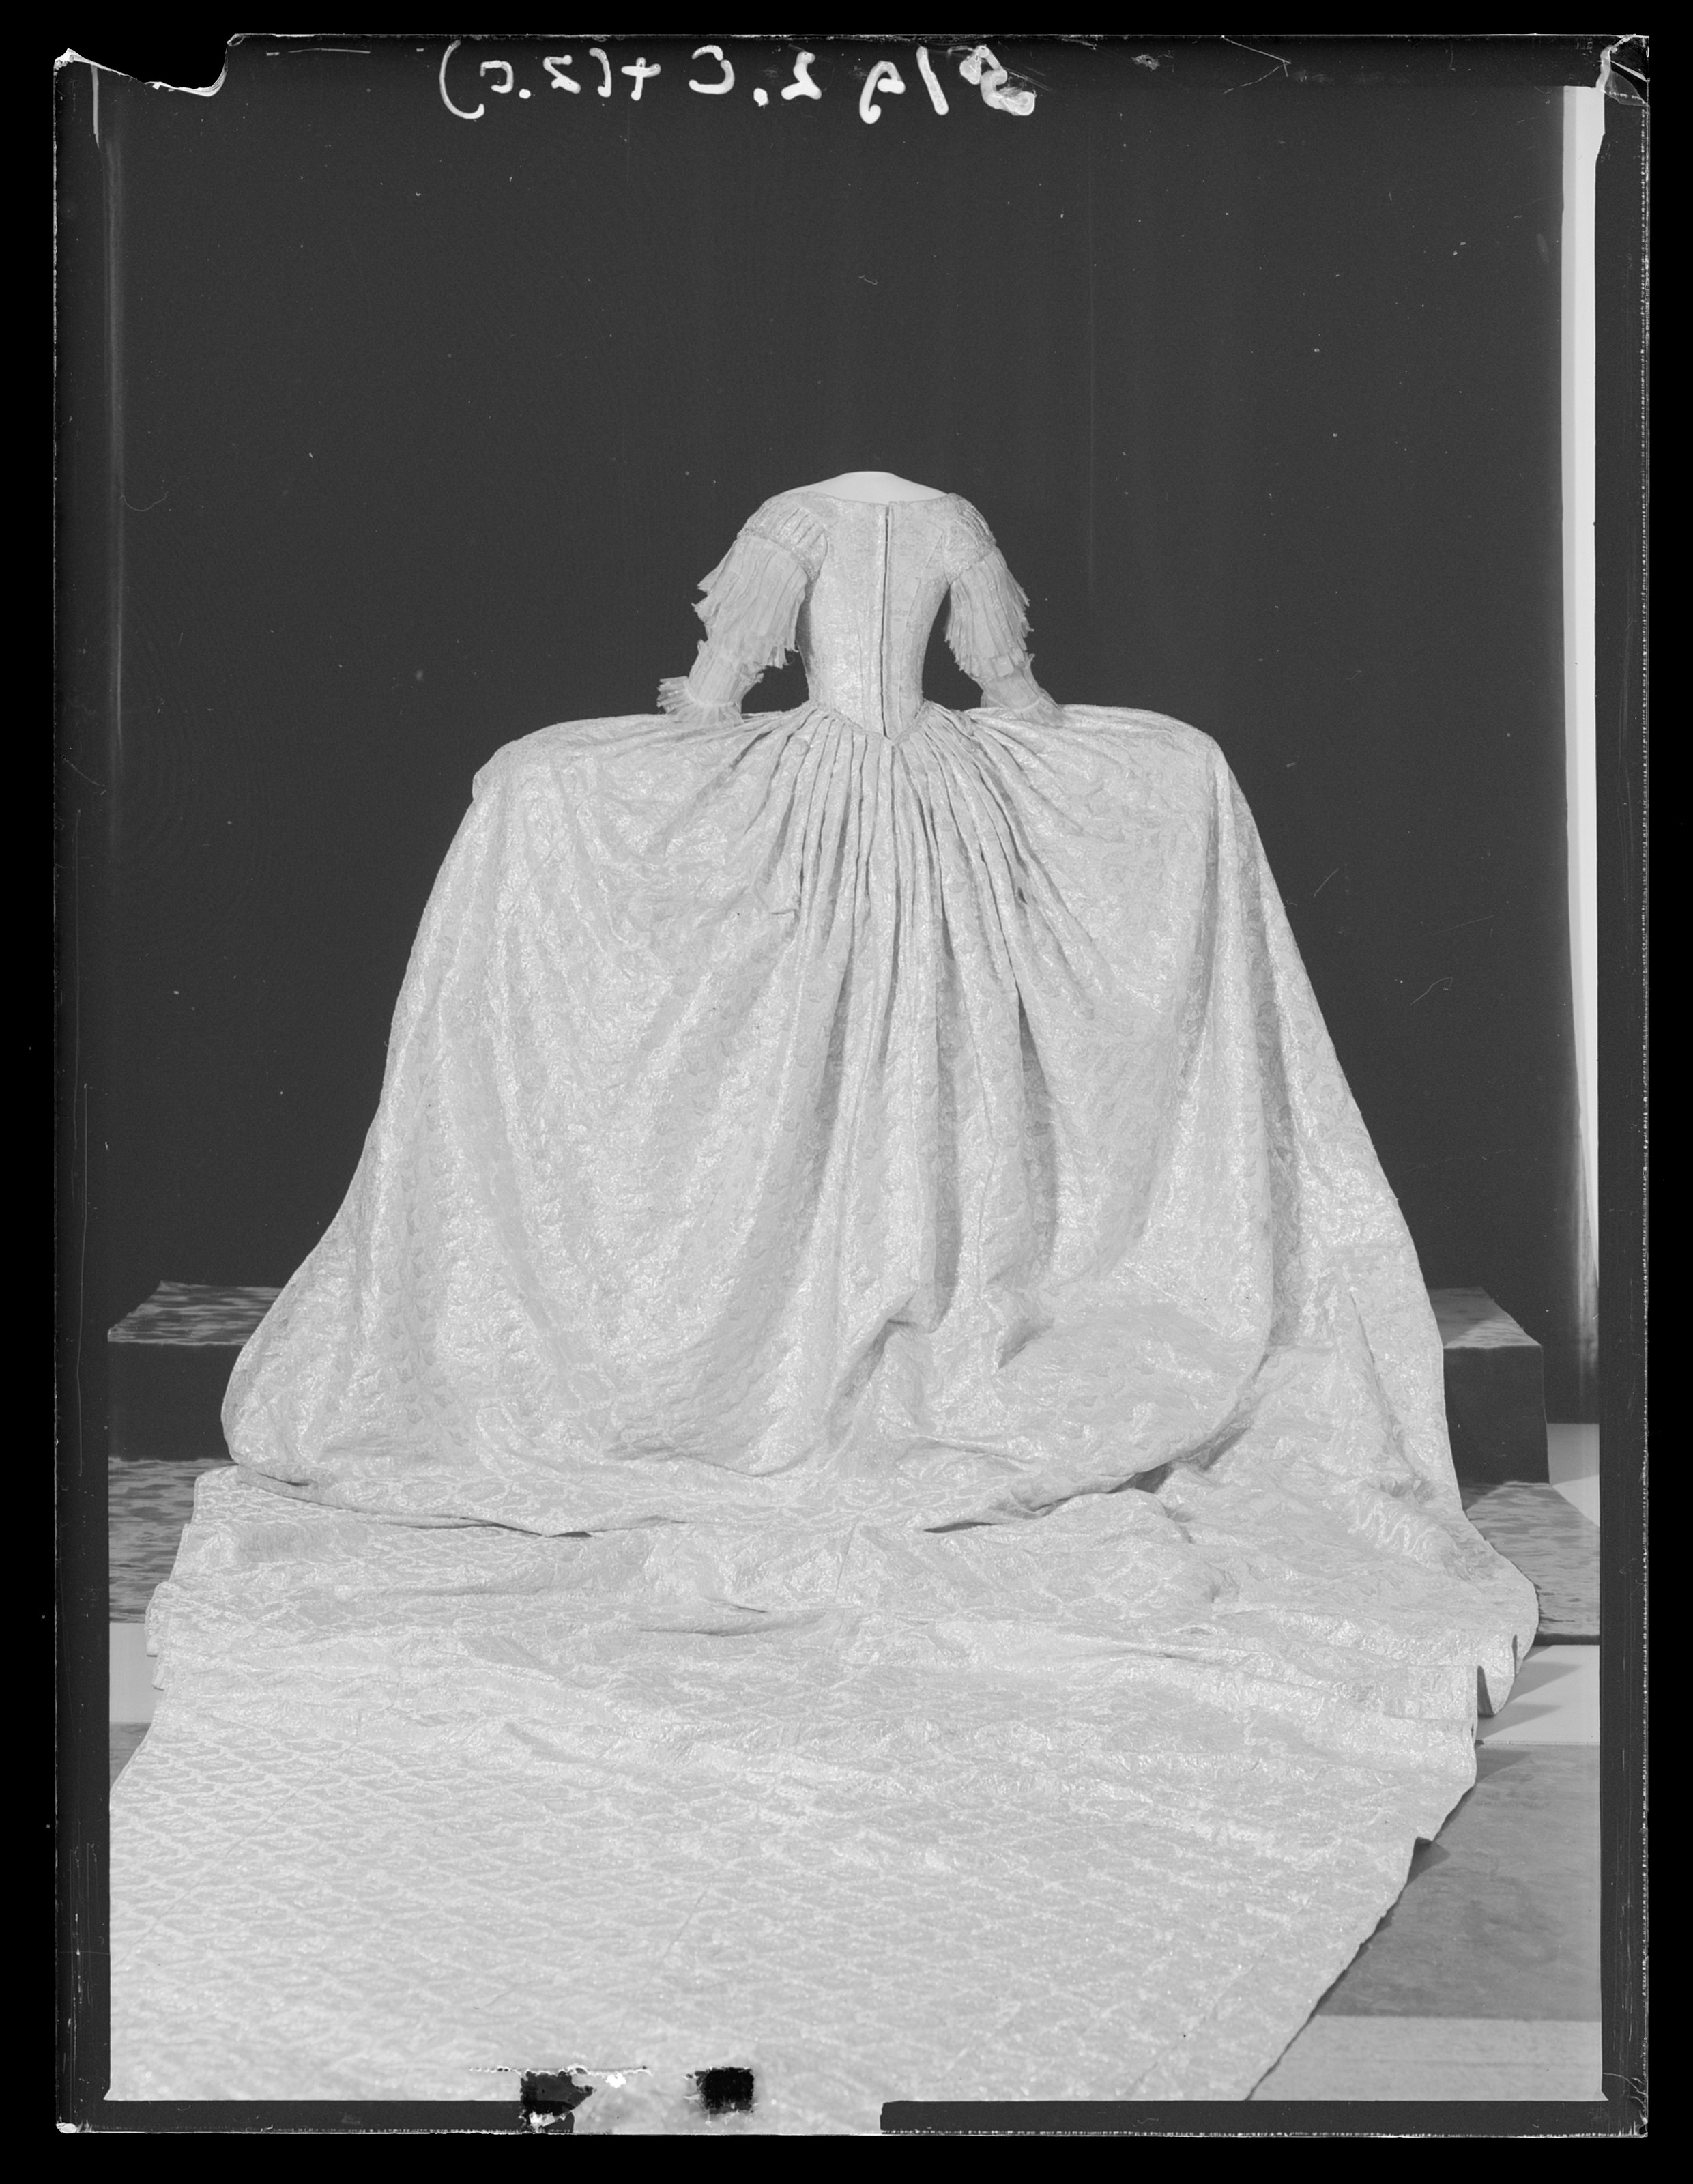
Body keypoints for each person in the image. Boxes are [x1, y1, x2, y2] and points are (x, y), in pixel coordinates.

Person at [111, 474, 1537, 2127]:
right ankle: (916, 1295)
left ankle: (802, 1321)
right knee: (968, 1017)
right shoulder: (946, 520)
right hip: (945, 801)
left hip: (810, 803)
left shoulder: (793, 521)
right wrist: (1027, 728)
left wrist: (683, 725)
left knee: (567, 816)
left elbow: (721, 682)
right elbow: (1007, 682)